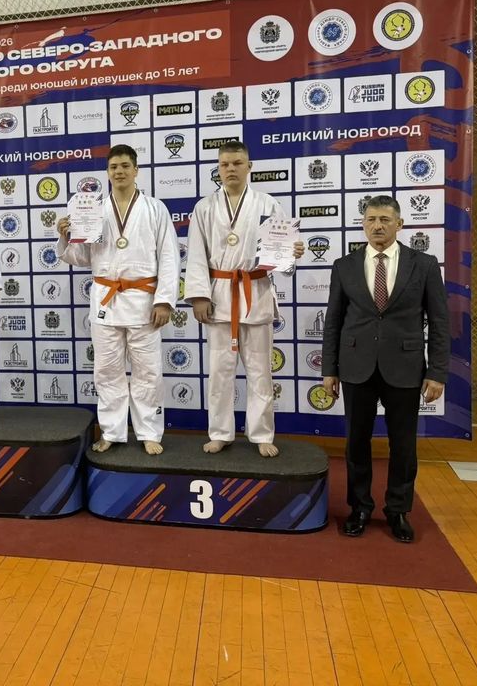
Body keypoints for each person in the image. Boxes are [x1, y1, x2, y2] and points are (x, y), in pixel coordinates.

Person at [322, 195, 448, 543]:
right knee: (356, 443)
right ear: (364, 224)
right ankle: (360, 507)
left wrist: (437, 372)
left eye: (385, 220)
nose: (377, 226)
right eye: (371, 220)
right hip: (355, 367)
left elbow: (440, 322)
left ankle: (398, 510)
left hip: (405, 367)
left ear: (399, 224)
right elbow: (333, 321)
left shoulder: (424, 265)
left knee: (403, 445)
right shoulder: (344, 266)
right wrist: (330, 369)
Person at [57, 144, 179, 455]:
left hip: (144, 301)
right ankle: (111, 430)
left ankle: (149, 432)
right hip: (106, 301)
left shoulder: (155, 209)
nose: (119, 172)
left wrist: (164, 301)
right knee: (107, 370)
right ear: (107, 172)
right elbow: (81, 257)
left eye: (125, 166)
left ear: (136, 170)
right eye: (113, 167)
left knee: (148, 371)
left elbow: (169, 257)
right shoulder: (93, 210)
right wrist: (66, 234)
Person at [185, 141, 304, 458]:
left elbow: (281, 261)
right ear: (218, 169)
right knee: (219, 371)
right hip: (219, 295)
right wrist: (199, 296)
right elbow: (196, 254)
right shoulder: (204, 207)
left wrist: (291, 255)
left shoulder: (268, 204)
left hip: (256, 291)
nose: (231, 169)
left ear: (249, 167)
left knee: (260, 370)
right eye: (225, 164)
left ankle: (261, 433)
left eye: (237, 163)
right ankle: (220, 432)